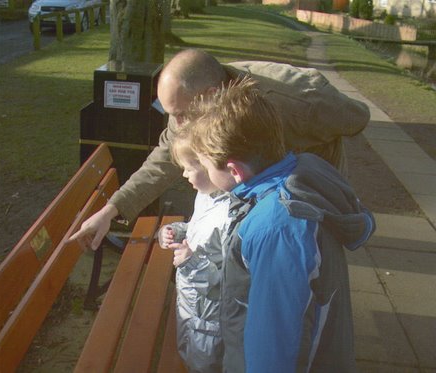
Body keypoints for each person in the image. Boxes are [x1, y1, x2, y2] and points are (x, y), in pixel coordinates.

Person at [69, 48, 370, 252]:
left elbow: (356, 118)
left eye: (181, 114)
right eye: (169, 112)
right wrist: (112, 210)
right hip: (258, 186)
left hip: (310, 188)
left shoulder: (296, 103)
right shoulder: (190, 105)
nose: (177, 123)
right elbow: (163, 160)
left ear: (211, 95)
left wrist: (301, 162)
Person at [186, 76, 375, 373]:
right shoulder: (300, 173)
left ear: (234, 170)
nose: (206, 175)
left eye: (207, 166)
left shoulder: (277, 227)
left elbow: (273, 345)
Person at [158, 128, 230, 373]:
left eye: (190, 167)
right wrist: (177, 232)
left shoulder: (229, 215)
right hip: (190, 306)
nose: (184, 174)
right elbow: (197, 231)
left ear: (208, 164)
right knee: (188, 355)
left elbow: (230, 282)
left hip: (210, 320)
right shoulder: (205, 195)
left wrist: (191, 262)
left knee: (205, 364)